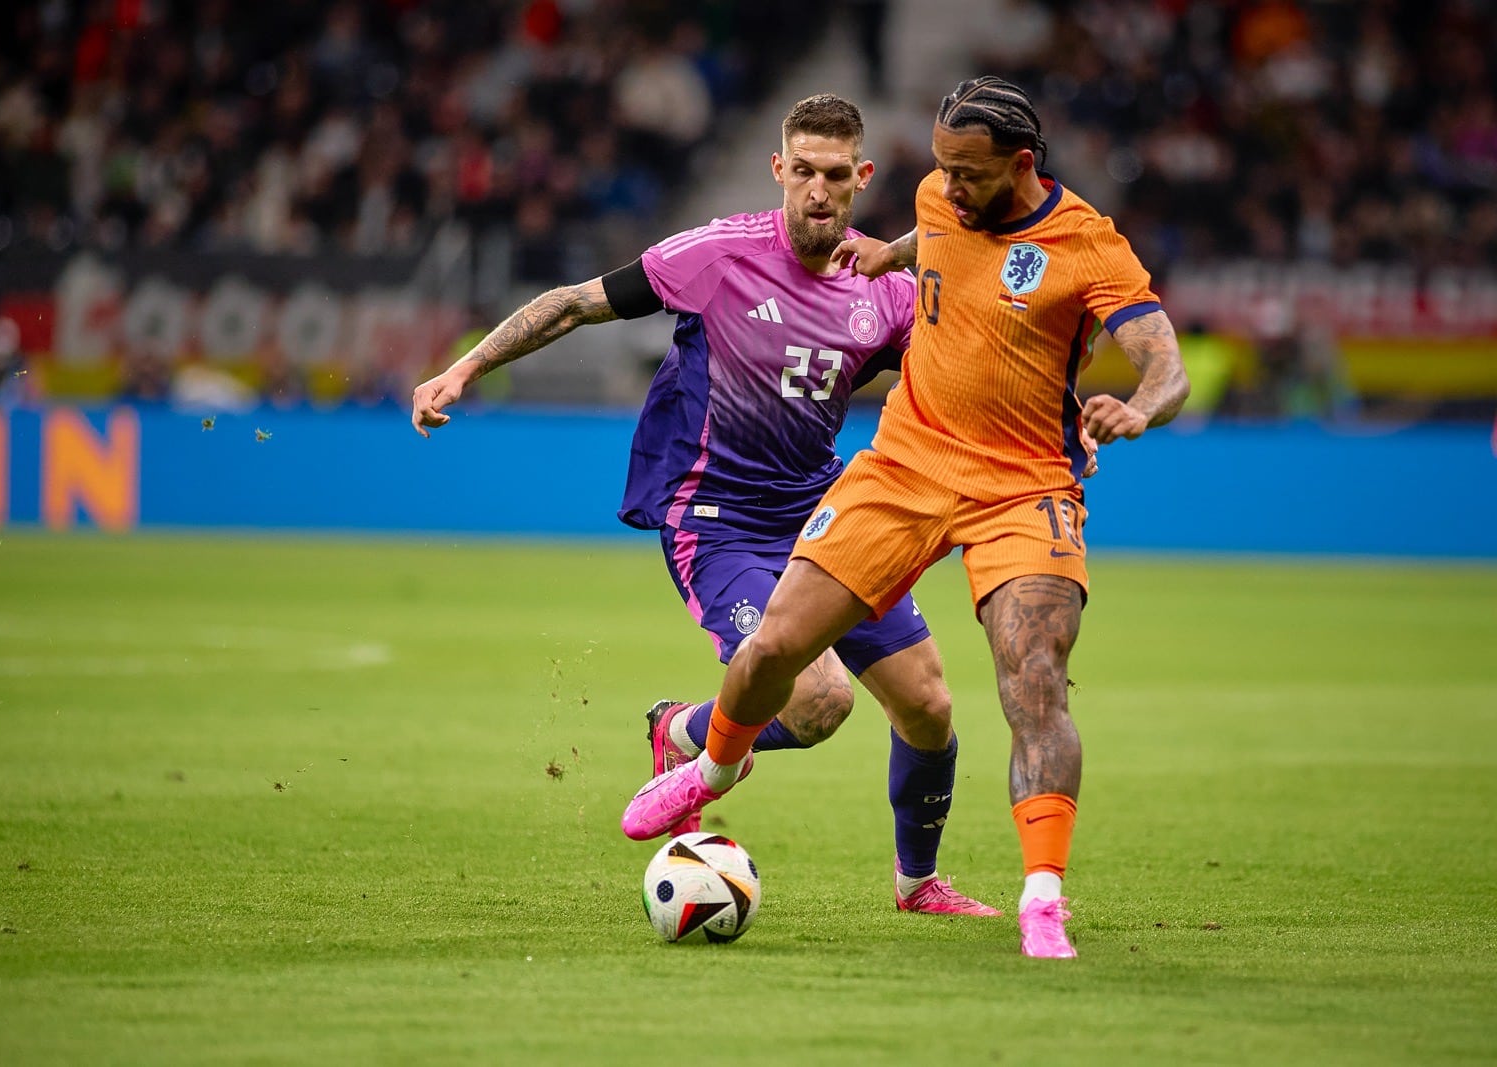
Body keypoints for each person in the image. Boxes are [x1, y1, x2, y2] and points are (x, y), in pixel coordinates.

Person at [621, 76, 1191, 959]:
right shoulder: (938, 195)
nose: (949, 187)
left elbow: (1166, 362)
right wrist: (892, 254)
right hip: (905, 467)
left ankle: (1039, 898)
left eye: (968, 173)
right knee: (778, 650)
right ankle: (710, 761)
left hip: (1023, 483)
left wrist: (1140, 406)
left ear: (1022, 164)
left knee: (1024, 680)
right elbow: (941, 234)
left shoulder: (1089, 245)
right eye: (941, 169)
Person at [413, 94, 998, 916]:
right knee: (820, 698)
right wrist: (464, 369)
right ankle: (695, 733)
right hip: (718, 521)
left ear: (864, 178)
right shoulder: (717, 254)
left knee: (929, 704)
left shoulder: (886, 289)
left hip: (825, 513)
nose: (818, 191)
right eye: (803, 172)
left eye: (836, 175)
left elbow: (956, 381)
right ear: (779, 171)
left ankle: (915, 882)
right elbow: (576, 302)